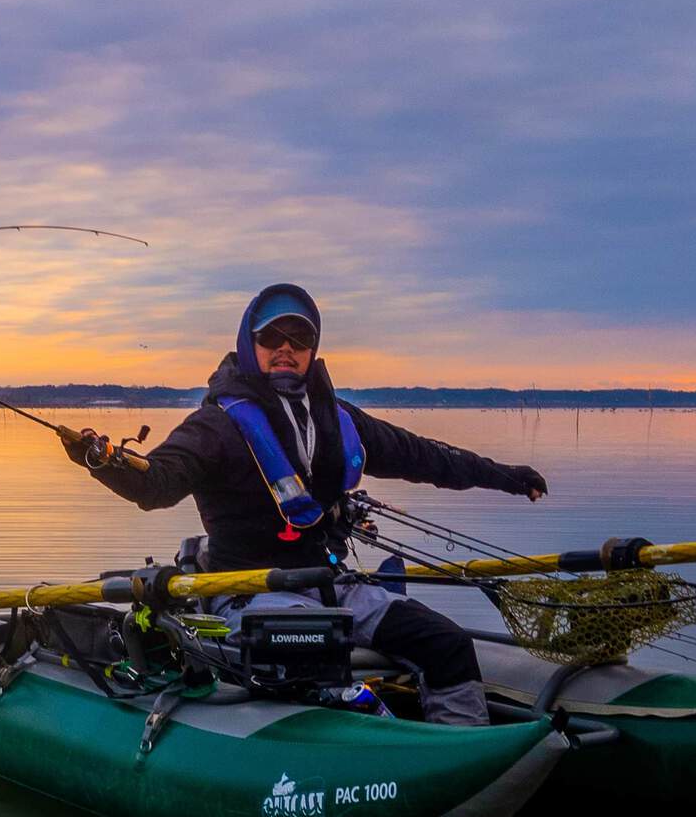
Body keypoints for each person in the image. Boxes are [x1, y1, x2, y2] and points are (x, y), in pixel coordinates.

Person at [63, 283, 545, 726]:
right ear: (250, 343)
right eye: (272, 336)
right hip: (250, 591)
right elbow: (158, 485)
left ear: (313, 349)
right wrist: (104, 462)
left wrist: (505, 477)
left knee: (448, 642)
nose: (286, 348)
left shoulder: (339, 419)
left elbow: (427, 457)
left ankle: (460, 751)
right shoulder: (216, 425)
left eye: (299, 337)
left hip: (330, 586)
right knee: (316, 649)